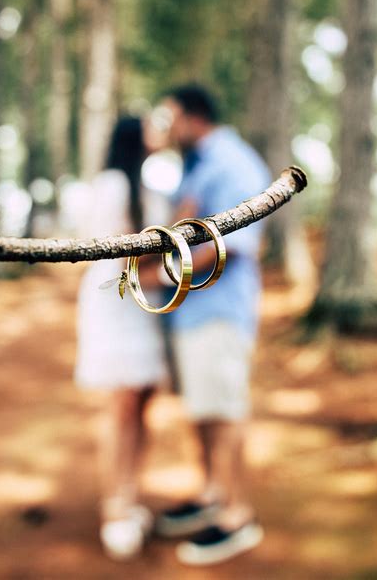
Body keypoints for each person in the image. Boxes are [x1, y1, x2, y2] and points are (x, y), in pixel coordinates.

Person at [154, 84, 271, 566]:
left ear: (193, 117)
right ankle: (211, 495)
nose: (166, 128)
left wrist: (161, 273)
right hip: (195, 312)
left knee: (225, 412)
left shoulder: (232, 163)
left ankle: (238, 515)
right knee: (203, 411)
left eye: (171, 118)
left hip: (220, 312)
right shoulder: (201, 163)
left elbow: (232, 243)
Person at [74, 116, 168, 561]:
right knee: (121, 406)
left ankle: (130, 495)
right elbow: (107, 247)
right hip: (115, 300)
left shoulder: (149, 186)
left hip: (145, 307)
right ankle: (115, 507)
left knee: (143, 403)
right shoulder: (112, 184)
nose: (159, 132)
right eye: (151, 126)